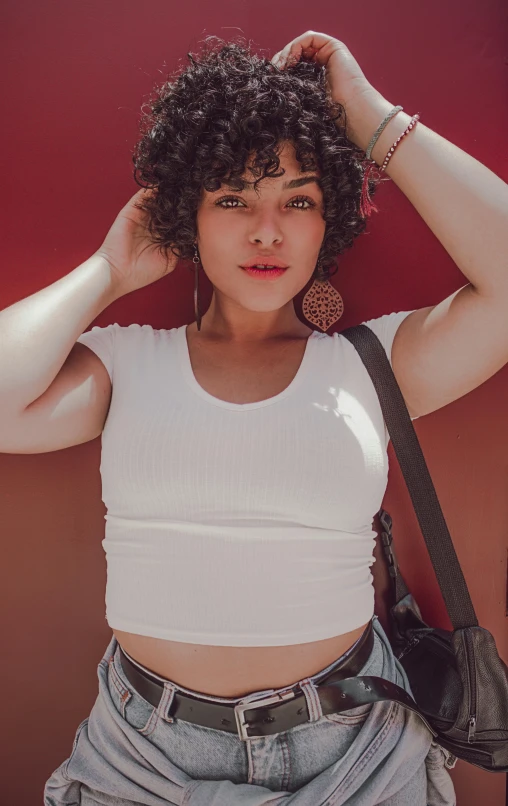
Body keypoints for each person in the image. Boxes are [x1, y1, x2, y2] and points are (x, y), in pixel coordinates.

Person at [1, 34, 467, 806]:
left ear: (330, 221)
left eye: (299, 200)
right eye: (232, 198)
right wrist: (108, 271)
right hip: (143, 760)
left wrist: (373, 118)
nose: (266, 230)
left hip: (354, 759)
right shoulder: (125, 364)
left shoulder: (373, 363)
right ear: (187, 215)